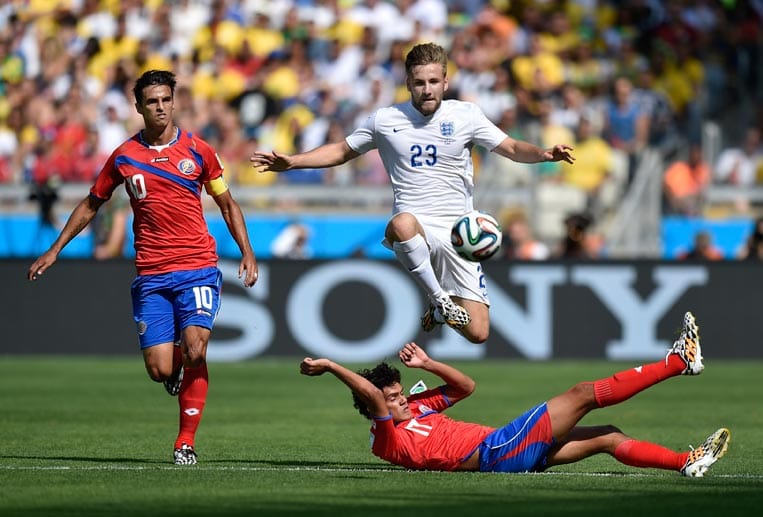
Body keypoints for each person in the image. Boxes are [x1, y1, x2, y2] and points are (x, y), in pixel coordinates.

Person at [251, 42, 574, 344]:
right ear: (408, 83)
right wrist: (293, 161)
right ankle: (438, 298)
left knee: (478, 332)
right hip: (415, 222)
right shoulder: (386, 120)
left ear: (445, 83)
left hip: (459, 231)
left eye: (434, 81)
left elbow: (512, 147)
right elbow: (341, 151)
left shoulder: (466, 115)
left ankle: (438, 309)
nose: (427, 89)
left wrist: (544, 154)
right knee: (401, 224)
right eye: (419, 82)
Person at [27, 70, 259, 465]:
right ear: (139, 107)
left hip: (197, 266)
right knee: (159, 369)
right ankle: (174, 374)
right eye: (152, 101)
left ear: (174, 101)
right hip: (151, 274)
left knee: (196, 348)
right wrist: (55, 249)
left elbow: (227, 203)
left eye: (166, 99)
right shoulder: (123, 157)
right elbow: (91, 203)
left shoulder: (199, 151)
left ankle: (184, 442)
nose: (160, 107)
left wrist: (247, 252)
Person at [300, 312, 730, 477]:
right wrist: (333, 365)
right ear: (373, 406)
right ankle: (679, 362)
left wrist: (428, 365)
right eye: (391, 398)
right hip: (498, 450)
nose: (398, 401)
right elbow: (374, 401)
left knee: (609, 436)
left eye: (397, 394)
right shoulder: (386, 438)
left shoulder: (416, 409)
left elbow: (465, 387)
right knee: (581, 393)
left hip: (507, 450)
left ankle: (685, 463)